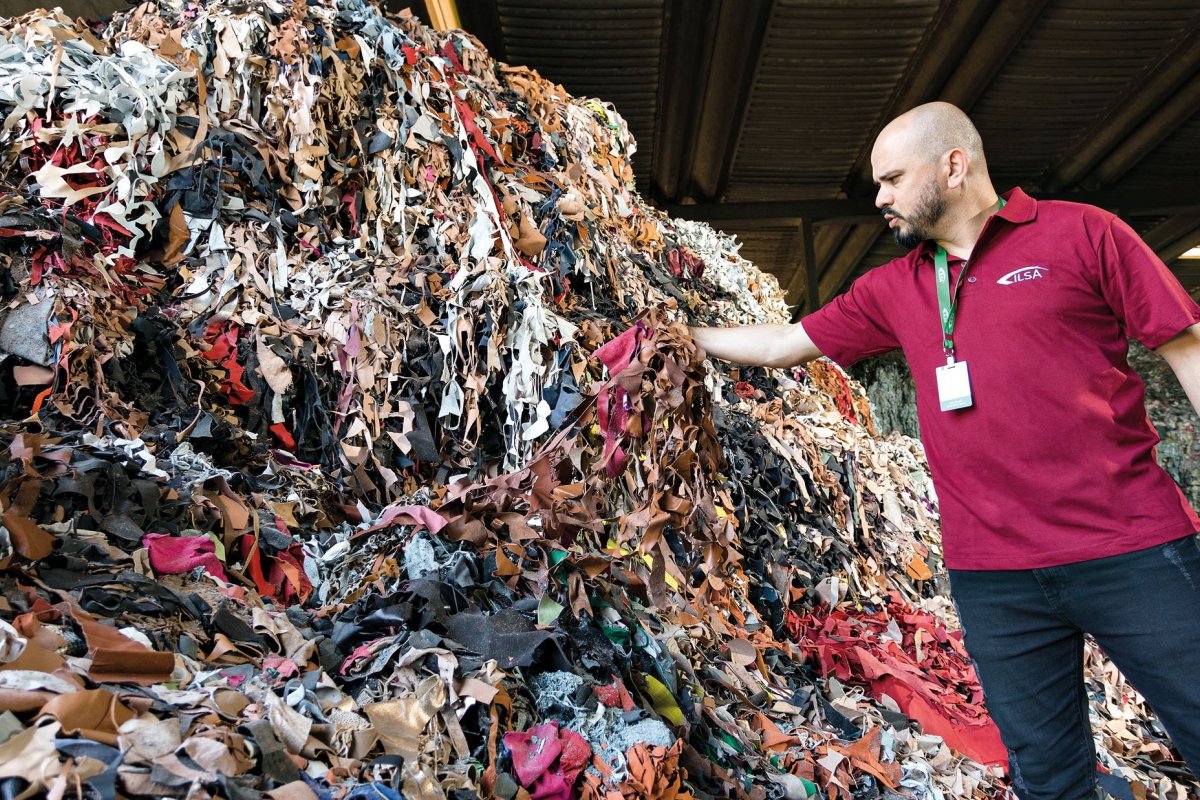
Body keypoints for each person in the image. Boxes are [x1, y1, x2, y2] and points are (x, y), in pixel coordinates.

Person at [690, 101, 1200, 800]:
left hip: (1130, 548)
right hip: (995, 580)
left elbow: (1184, 344)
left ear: (953, 166)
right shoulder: (893, 288)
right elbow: (784, 343)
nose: (879, 198)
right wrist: (678, 332)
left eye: (893, 179)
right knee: (1048, 776)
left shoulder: (1084, 232)